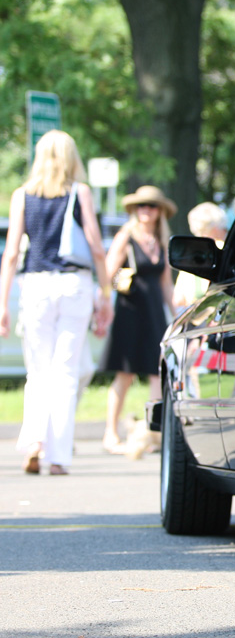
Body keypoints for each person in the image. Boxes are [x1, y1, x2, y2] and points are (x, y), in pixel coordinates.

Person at [0, 130, 113, 475]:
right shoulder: (80, 193)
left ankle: (35, 442)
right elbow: (96, 246)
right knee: (65, 371)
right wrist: (105, 294)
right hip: (73, 284)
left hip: (35, 285)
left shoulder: (23, 195)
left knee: (38, 371)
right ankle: (59, 456)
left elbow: (11, 253)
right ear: (71, 158)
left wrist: (3, 303)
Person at [99, 185, 176, 453]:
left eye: (152, 206)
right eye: (142, 206)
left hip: (154, 311)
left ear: (160, 212)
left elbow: (166, 283)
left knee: (157, 371)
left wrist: (177, 313)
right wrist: (102, 305)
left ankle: (152, 434)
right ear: (135, 210)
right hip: (130, 310)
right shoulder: (126, 237)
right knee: (125, 373)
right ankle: (110, 433)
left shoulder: (163, 241)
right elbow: (107, 273)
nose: (146, 211)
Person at [172, 201, 227, 312]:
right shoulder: (223, 248)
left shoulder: (189, 254)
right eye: (225, 228)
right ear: (216, 228)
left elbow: (178, 300)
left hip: (195, 315)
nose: (226, 231)